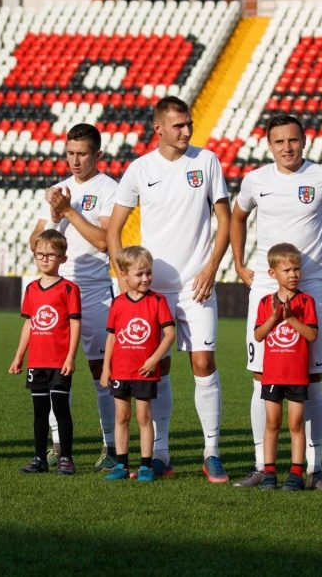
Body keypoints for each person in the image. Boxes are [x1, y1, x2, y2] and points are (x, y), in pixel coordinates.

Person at [231, 113, 322, 491]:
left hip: (312, 288)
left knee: (313, 379)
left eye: (293, 140)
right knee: (261, 379)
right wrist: (240, 264)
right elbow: (237, 217)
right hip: (265, 289)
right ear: (269, 145)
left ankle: (314, 469)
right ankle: (262, 465)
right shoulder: (256, 180)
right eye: (279, 142)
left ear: (303, 142)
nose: (287, 147)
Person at [107, 96, 230, 482]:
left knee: (203, 362)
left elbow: (224, 220)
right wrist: (123, 275)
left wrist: (211, 267)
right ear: (158, 128)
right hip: (152, 288)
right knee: (155, 370)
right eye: (178, 126)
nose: (186, 131)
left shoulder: (206, 161)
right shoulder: (140, 168)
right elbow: (114, 228)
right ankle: (160, 455)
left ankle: (211, 452)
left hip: (197, 284)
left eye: (188, 124)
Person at [28, 123, 118, 472]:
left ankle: (109, 445)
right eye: (70, 153)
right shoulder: (57, 191)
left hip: (94, 290)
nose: (75, 160)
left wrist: (68, 212)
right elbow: (36, 243)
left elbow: (103, 240)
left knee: (101, 371)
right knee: (50, 371)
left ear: (97, 154)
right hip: (55, 292)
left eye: (82, 154)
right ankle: (56, 444)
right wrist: (53, 215)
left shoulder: (109, 188)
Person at [100, 246, 175, 482]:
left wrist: (154, 359)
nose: (146, 278)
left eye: (148, 273)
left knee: (144, 417)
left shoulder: (158, 301)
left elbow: (170, 333)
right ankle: (121, 465)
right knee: (121, 416)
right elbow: (111, 336)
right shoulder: (119, 303)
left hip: (144, 372)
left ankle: (145, 466)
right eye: (140, 274)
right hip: (121, 370)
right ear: (123, 275)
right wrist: (106, 368)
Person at [10, 230, 82, 475]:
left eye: (51, 255)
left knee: (60, 408)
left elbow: (74, 324)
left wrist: (71, 357)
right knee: (39, 412)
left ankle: (66, 458)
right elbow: (30, 323)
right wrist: (20, 356)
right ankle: (39, 458)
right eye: (40, 254)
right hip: (36, 362)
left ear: (62, 258)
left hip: (59, 361)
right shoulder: (31, 289)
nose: (44, 259)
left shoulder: (69, 289)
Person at [252, 243, 319, 492]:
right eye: (287, 270)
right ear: (273, 274)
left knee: (296, 424)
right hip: (273, 375)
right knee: (272, 423)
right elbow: (258, 335)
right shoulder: (265, 302)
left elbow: (311, 335)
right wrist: (274, 317)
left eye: (297, 269)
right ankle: (269, 473)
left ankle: (295, 474)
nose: (293, 274)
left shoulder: (306, 302)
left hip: (297, 375)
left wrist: (291, 318)